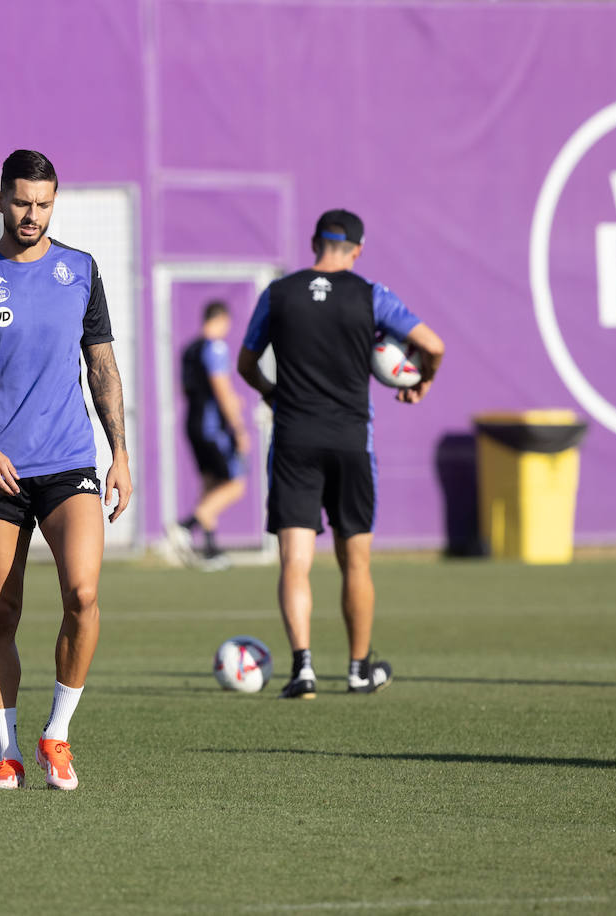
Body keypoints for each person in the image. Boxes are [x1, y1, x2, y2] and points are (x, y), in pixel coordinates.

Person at [0, 150, 132, 791]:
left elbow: (102, 367)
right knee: (2, 612)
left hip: (70, 460)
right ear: (0, 199)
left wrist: (121, 454)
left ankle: (57, 735)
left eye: (43, 203)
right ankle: (8, 751)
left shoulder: (80, 270)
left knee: (82, 595)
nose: (32, 214)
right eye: (21, 201)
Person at [236, 208, 444, 699]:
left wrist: (272, 393)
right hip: (351, 441)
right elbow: (433, 344)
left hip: (293, 440)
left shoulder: (279, 292)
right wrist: (424, 379)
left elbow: (247, 362)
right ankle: (357, 670)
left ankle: (303, 670)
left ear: (314, 242)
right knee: (356, 562)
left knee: (295, 562)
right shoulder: (371, 296)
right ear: (358, 249)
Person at [170, 300, 250, 570]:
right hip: (212, 428)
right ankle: (187, 524)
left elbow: (186, 389)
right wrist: (238, 428)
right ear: (222, 320)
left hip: (192, 423)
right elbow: (221, 388)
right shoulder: (215, 347)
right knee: (235, 485)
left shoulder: (189, 349)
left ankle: (210, 550)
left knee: (210, 483)